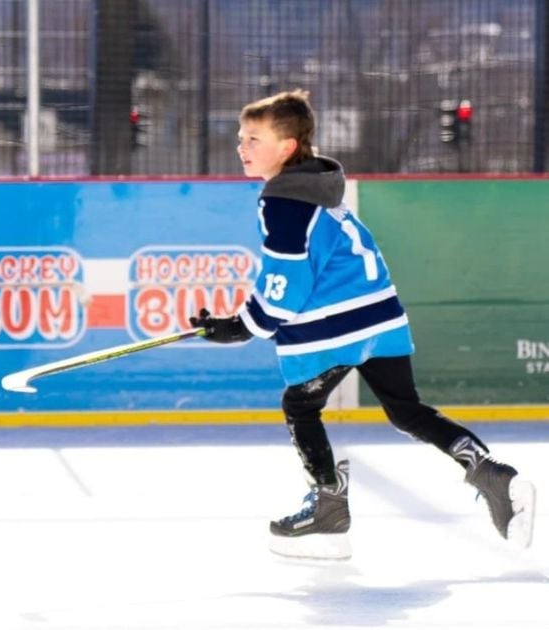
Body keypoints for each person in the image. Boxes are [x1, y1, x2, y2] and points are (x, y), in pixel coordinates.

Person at [189, 89, 535, 560]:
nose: (241, 147)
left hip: (336, 329)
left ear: (288, 146)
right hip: (381, 318)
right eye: (241, 137)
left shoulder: (284, 200)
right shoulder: (319, 189)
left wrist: (243, 325)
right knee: (406, 410)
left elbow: (285, 280)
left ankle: (329, 511)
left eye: (253, 138)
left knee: (300, 405)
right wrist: (245, 320)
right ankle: (492, 473)